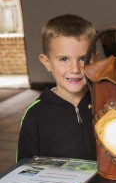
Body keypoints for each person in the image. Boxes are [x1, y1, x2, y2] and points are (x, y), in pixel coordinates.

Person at [17, 14, 97, 161]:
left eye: (83, 58)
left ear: (95, 59)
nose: (75, 69)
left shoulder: (105, 104)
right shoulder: (35, 115)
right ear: (47, 62)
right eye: (64, 59)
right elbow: (24, 171)